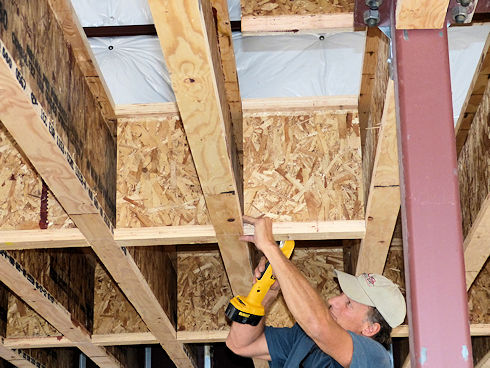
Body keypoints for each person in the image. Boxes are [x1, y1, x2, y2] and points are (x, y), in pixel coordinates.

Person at [226, 215, 406, 367]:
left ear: (370, 329)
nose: (332, 301)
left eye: (349, 304)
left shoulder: (375, 358)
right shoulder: (305, 340)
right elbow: (240, 345)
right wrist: (266, 294)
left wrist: (271, 248)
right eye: (341, 295)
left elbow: (319, 325)